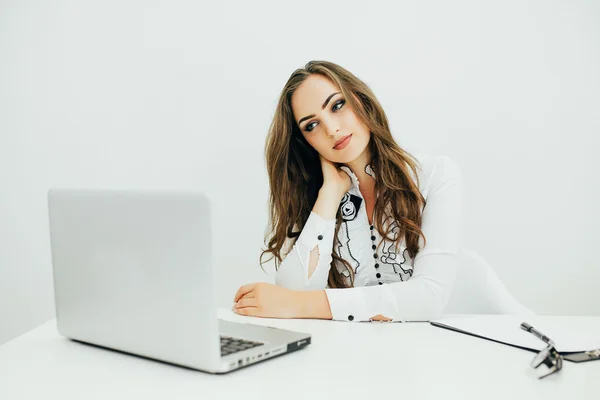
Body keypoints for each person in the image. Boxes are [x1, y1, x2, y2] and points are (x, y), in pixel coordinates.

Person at [233, 60, 464, 322]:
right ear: (304, 141)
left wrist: (301, 304)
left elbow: (429, 299)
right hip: (342, 354)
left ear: (360, 99)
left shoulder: (435, 176)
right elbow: (290, 298)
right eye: (311, 125)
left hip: (423, 355)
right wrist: (330, 193)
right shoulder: (311, 194)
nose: (331, 129)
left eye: (337, 105)